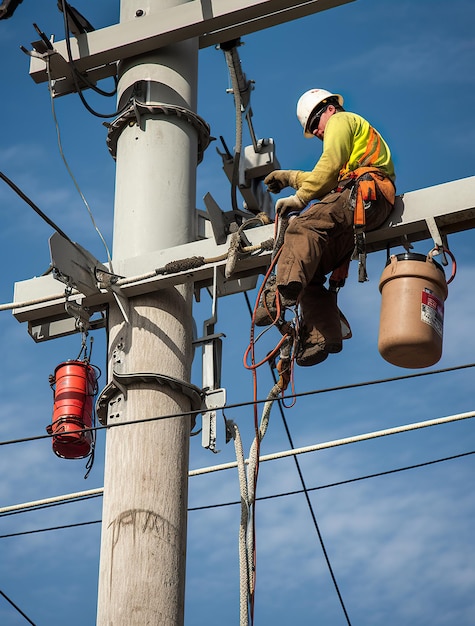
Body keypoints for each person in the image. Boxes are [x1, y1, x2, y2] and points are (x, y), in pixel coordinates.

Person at [256, 88, 396, 366]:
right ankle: (322, 336)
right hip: (360, 206)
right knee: (311, 270)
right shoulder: (348, 144)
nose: (316, 133)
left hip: (366, 194)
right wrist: (290, 177)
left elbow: (329, 167)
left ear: (329, 109)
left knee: (301, 228)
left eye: (314, 125)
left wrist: (300, 198)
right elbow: (331, 178)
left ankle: (280, 295)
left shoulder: (341, 121)